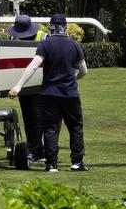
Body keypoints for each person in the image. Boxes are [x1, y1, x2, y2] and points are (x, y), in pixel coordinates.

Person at [8, 12, 88, 172]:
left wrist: (19, 85)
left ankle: (51, 163)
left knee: (50, 128)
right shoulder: (75, 45)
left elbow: (33, 65)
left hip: (49, 93)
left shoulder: (45, 45)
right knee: (75, 127)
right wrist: (73, 78)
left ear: (51, 26)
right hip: (69, 93)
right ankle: (77, 161)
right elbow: (84, 71)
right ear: (65, 27)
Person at [7, 14, 46, 162]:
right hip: (22, 84)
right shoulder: (13, 40)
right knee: (29, 117)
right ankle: (36, 148)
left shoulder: (43, 37)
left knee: (36, 117)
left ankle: (38, 150)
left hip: (38, 84)